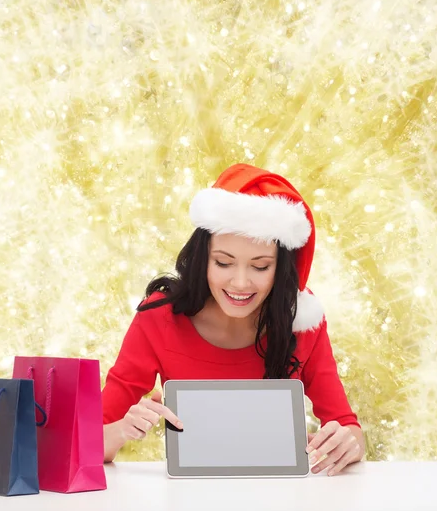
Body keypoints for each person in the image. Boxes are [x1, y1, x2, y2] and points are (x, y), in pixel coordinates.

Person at [101, 163, 365, 476]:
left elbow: (350, 429)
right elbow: (90, 440)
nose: (240, 283)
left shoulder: (302, 322)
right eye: (224, 262)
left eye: (260, 266)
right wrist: (122, 430)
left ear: (281, 269)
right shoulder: (159, 316)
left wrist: (348, 443)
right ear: (203, 259)